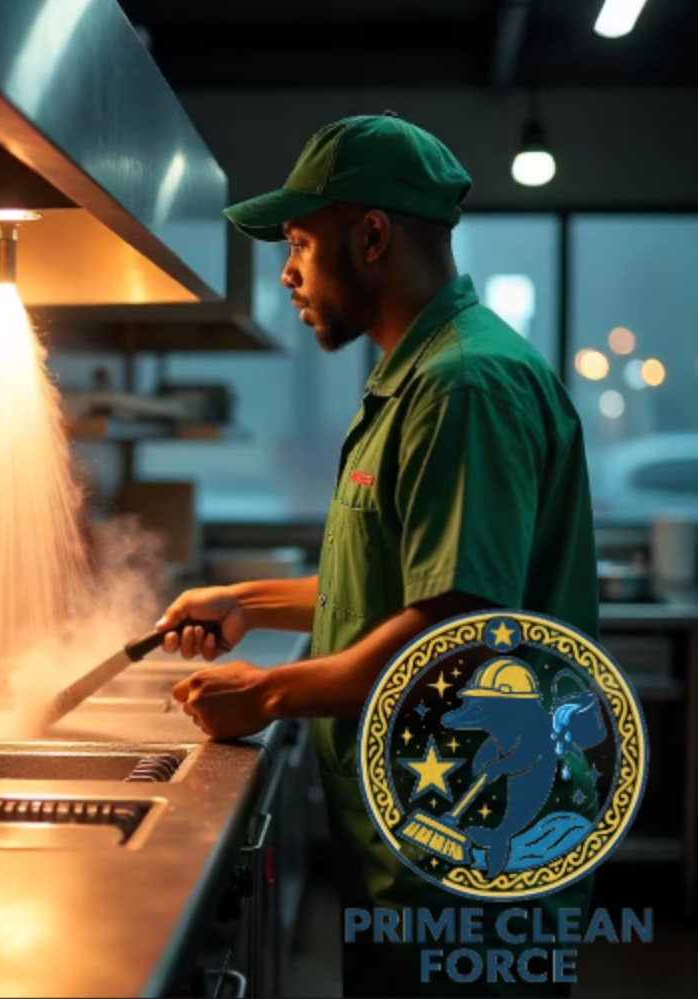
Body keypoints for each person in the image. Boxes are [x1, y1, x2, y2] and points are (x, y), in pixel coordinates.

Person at [157, 114, 599, 998]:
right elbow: (400, 585)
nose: (285, 271)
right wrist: (247, 599)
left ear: (370, 236)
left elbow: (460, 627)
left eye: (297, 241)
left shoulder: (463, 385)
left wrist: (268, 691)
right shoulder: (418, 375)